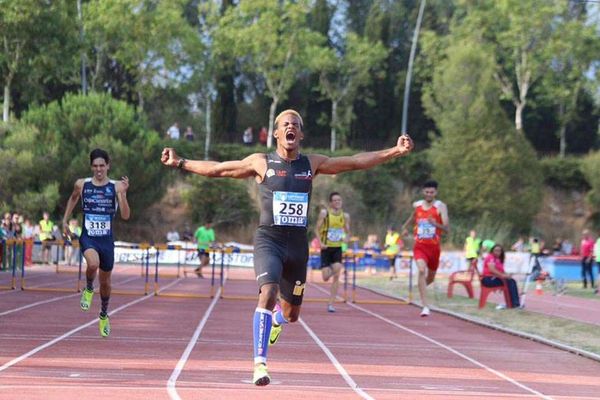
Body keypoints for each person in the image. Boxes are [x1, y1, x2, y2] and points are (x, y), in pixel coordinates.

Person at [160, 108, 413, 386]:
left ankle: (278, 320)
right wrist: (180, 162)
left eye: (295, 124)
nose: (290, 127)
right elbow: (219, 169)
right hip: (269, 240)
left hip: (297, 246)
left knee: (292, 315)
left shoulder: (311, 164)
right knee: (268, 292)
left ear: (300, 134)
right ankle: (259, 364)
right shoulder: (261, 163)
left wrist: (394, 152)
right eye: (285, 124)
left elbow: (354, 162)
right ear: (276, 134)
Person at [62, 148, 130, 337]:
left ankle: (103, 314)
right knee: (93, 263)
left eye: (102, 165)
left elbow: (125, 216)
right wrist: (64, 220)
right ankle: (89, 287)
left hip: (106, 240)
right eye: (95, 166)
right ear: (91, 167)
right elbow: (73, 198)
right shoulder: (82, 184)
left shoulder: (116, 186)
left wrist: (123, 195)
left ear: (108, 166)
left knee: (106, 281)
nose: (98, 169)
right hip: (89, 237)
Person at [401, 180, 449, 317]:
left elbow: (447, 228)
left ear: (436, 193)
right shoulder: (418, 207)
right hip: (420, 247)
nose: (429, 194)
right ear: (423, 192)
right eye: (427, 192)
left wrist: (435, 224)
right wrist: (404, 230)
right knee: (421, 270)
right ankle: (425, 306)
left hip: (434, 248)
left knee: (430, 278)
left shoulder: (440, 207)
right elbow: (410, 221)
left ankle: (420, 291)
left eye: (432, 192)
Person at [315, 192, 351, 313]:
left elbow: (348, 231)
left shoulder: (345, 216)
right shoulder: (325, 214)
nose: (337, 202)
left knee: (337, 273)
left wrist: (346, 238)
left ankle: (331, 303)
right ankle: (329, 269)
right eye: (335, 200)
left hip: (337, 248)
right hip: (326, 248)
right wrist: (321, 243)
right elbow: (316, 229)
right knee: (325, 277)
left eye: (339, 200)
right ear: (331, 203)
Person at [481, 244, 520, 309]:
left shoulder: (498, 260)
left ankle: (512, 303)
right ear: (492, 251)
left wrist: (507, 275)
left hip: (495, 278)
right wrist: (503, 276)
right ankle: (514, 304)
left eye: (499, 251)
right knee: (510, 282)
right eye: (496, 250)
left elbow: (501, 271)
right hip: (488, 279)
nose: (497, 252)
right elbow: (492, 269)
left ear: (501, 252)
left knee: (511, 281)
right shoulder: (490, 257)